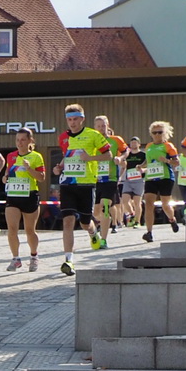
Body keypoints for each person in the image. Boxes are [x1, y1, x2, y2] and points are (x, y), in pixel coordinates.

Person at [51, 104, 112, 275]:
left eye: (75, 119)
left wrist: (90, 158)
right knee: (68, 221)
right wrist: (59, 168)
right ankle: (69, 260)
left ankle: (93, 233)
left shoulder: (93, 135)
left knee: (85, 222)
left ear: (82, 119)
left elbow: (108, 155)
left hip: (86, 184)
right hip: (68, 184)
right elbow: (68, 155)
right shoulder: (64, 137)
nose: (72, 123)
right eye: (69, 120)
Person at [2, 127, 45, 271]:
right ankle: (15, 258)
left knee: (29, 230)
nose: (20, 143)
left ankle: (34, 256)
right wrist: (5, 177)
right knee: (12, 229)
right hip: (13, 195)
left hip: (30, 195)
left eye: (23, 140)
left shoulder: (36, 156)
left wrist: (29, 169)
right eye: (17, 140)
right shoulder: (11, 156)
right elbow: (8, 172)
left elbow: (41, 178)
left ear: (30, 141)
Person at [140, 123, 181, 242]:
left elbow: (177, 162)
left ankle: (172, 219)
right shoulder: (148, 146)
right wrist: (141, 166)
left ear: (165, 133)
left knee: (165, 204)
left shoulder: (168, 146)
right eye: (154, 133)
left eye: (160, 132)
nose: (157, 135)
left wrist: (167, 160)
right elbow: (147, 161)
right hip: (151, 177)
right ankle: (149, 232)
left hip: (165, 178)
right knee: (148, 204)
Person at [90, 115, 127, 243]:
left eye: (103, 126)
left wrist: (120, 158)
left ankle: (104, 240)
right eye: (98, 126)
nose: (101, 129)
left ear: (108, 125)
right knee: (95, 212)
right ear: (95, 128)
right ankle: (103, 224)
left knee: (105, 205)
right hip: (95, 180)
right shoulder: (92, 141)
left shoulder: (115, 140)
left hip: (110, 179)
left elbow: (125, 151)